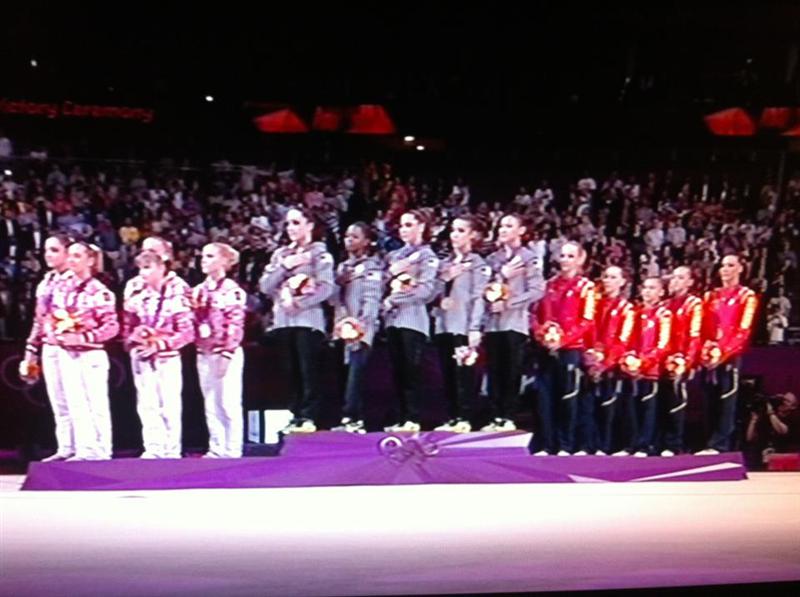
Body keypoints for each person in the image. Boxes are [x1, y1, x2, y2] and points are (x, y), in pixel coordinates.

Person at [260, 206, 334, 433]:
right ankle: (295, 415)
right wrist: (285, 266)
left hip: (308, 321)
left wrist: (299, 303)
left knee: (308, 369)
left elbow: (326, 287)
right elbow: (265, 286)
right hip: (282, 321)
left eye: (296, 223)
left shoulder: (320, 254)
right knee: (289, 371)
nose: (291, 228)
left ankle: (309, 416)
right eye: (288, 224)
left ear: (309, 225)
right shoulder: (280, 255)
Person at [123, 249, 195, 458]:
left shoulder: (177, 296)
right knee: (147, 404)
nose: (142, 273)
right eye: (140, 268)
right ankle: (153, 448)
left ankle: (171, 450)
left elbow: (187, 333)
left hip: (167, 357)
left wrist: (161, 344)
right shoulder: (138, 297)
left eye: (148, 268)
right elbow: (127, 327)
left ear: (161, 267)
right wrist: (134, 340)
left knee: (169, 405)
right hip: (142, 356)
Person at [54, 242, 119, 460]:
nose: (71, 260)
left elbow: (112, 327)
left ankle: (101, 451)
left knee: (95, 403)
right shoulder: (62, 289)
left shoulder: (99, 292)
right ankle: (84, 449)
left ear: (90, 260)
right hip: (67, 353)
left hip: (91, 354)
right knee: (75, 402)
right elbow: (53, 316)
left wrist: (84, 337)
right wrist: (57, 333)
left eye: (77, 256)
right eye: (70, 256)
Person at [484, 213, 545, 432]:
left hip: (515, 324)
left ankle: (508, 416)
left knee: (511, 372)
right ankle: (494, 416)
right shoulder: (492, 259)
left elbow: (537, 290)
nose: (503, 230)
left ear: (521, 231)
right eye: (501, 226)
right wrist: (502, 275)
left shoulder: (529, 258)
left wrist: (510, 303)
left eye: (509, 226)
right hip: (492, 323)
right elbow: (483, 287)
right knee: (493, 371)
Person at [531, 241, 593, 455]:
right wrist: (541, 334)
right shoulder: (548, 285)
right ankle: (546, 444)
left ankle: (566, 444)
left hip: (570, 349)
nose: (565, 260)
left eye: (570, 256)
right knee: (544, 398)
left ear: (580, 259)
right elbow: (534, 314)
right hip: (546, 348)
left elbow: (587, 321)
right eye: (563, 255)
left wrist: (563, 339)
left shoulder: (585, 287)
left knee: (568, 397)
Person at [381, 209, 440, 432]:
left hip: (413, 320)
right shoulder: (394, 256)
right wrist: (390, 274)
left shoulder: (428, 256)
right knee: (396, 371)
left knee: (411, 371)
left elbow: (425, 291)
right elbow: (381, 285)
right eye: (401, 225)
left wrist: (393, 299)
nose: (403, 230)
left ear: (421, 227)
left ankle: (412, 417)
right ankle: (399, 416)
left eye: (408, 225)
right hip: (392, 321)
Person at [19, 234, 76, 461]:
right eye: (46, 250)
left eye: (54, 250)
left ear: (67, 253)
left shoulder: (75, 281)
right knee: (58, 399)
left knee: (75, 398)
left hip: (71, 346)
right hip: (49, 346)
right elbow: (39, 319)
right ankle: (65, 447)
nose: (48, 255)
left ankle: (85, 448)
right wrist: (31, 349)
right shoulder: (46, 282)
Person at [432, 215, 490, 433]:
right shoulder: (444, 263)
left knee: (463, 373)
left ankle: (465, 417)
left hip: (463, 325)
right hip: (443, 324)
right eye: (453, 230)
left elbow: (478, 297)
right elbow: (430, 293)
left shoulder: (477, 264)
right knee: (446, 372)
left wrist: (475, 327)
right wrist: (443, 281)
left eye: (461, 231)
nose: (455, 235)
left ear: (472, 235)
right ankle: (452, 416)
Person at [697, 254, 758, 455]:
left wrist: (722, 353)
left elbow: (743, 330)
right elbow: (702, 328)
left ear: (740, 268)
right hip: (709, 356)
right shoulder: (710, 296)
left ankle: (721, 445)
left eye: (731, 265)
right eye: (723, 265)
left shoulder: (746, 297)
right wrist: (705, 351)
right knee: (709, 400)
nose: (725, 269)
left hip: (730, 355)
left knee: (727, 400)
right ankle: (709, 443)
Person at [193, 242, 246, 457]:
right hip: (204, 352)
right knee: (210, 402)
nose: (204, 260)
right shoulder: (198, 291)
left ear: (224, 261)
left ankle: (232, 449)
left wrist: (227, 353)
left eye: (210, 256)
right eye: (203, 256)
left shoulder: (232, 291)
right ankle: (216, 447)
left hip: (225, 353)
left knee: (228, 401)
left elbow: (236, 324)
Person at [330, 223, 383, 434]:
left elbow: (372, 298)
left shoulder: (372, 266)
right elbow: (333, 299)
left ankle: (353, 418)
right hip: (341, 327)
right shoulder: (341, 268)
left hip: (362, 328)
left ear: (367, 241)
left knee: (356, 372)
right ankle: (345, 417)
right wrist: (338, 284)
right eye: (347, 236)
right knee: (342, 374)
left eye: (355, 236)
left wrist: (360, 323)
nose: (349, 240)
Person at [615, 277, 671, 457]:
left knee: (648, 409)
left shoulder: (664, 314)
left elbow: (663, 344)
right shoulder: (634, 313)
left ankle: (645, 445)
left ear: (661, 292)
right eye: (645, 287)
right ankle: (630, 445)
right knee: (630, 408)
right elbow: (625, 338)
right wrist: (628, 360)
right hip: (631, 369)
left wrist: (643, 363)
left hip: (650, 370)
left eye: (652, 288)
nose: (647, 291)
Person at [584, 266, 634, 455]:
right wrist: (589, 358)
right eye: (605, 277)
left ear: (622, 282)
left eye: (613, 277)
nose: (607, 281)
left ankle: (607, 445)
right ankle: (589, 444)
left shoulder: (626, 309)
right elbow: (586, 330)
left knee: (609, 405)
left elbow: (623, 340)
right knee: (588, 405)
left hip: (611, 365)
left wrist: (604, 364)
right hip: (589, 361)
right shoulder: (594, 304)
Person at [660, 266, 703, 456]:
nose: (675, 281)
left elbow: (695, 335)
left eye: (681, 277)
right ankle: (659, 442)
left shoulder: (694, 305)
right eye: (674, 277)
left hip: (681, 360)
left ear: (690, 282)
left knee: (677, 400)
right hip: (661, 359)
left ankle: (675, 444)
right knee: (661, 401)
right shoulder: (665, 305)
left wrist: (687, 361)